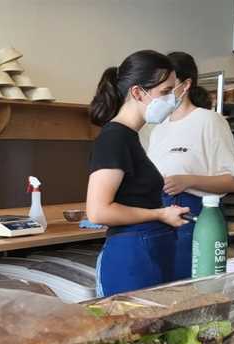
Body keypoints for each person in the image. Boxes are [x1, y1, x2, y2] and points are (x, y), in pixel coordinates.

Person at [86, 50, 191, 298]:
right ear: (137, 92)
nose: (172, 100)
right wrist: (161, 213)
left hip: (148, 250)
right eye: (165, 92)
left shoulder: (130, 137)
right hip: (131, 258)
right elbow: (98, 211)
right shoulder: (114, 138)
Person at [148, 52, 234, 280]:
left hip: (197, 217)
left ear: (186, 84)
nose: (162, 91)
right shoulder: (158, 128)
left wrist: (188, 180)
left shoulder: (209, 121)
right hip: (160, 215)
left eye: (168, 84)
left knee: (192, 290)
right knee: (162, 289)